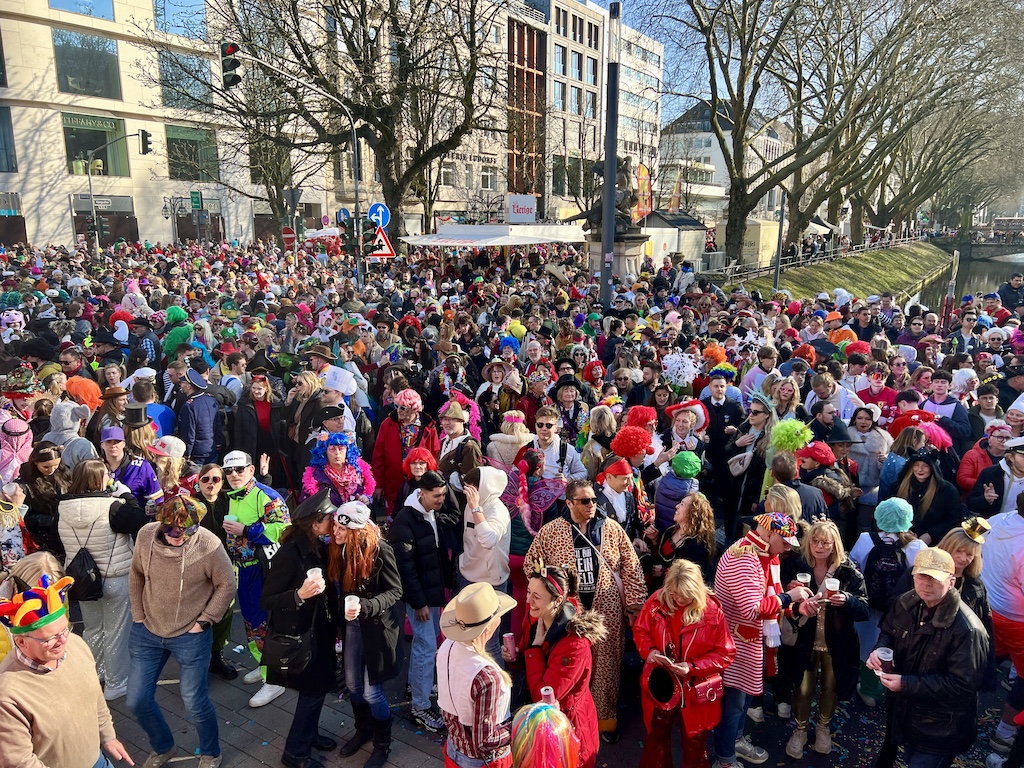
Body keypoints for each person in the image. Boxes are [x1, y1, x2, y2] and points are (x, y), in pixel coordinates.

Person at [525, 479, 647, 742]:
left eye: (593, 499)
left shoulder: (612, 529)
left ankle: (605, 720)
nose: (591, 505)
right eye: (584, 501)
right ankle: (567, 720)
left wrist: (635, 605)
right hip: (569, 614)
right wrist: (550, 594)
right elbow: (531, 567)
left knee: (607, 666)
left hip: (607, 611)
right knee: (570, 669)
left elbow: (631, 566)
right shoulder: (551, 532)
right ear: (569, 503)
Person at [127, 495, 235, 768]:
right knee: (136, 700)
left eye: (186, 532)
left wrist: (206, 620)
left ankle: (210, 752)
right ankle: (164, 747)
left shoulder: (210, 544)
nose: (179, 538)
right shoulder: (145, 535)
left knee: (194, 702)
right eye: (173, 532)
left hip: (191, 635)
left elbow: (227, 584)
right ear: (160, 525)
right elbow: (136, 573)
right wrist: (138, 615)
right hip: (147, 631)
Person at [712, 500, 815, 768]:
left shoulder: (766, 554)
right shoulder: (744, 557)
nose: (789, 547)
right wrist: (786, 597)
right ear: (768, 534)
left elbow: (767, 596)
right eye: (785, 541)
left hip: (750, 641)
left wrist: (791, 602)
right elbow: (752, 609)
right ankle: (724, 760)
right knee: (734, 703)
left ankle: (734, 742)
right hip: (735, 643)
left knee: (743, 699)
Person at [868, 547, 989, 768]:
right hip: (907, 712)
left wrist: (906, 684)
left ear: (951, 582)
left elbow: (963, 685)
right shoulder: (906, 602)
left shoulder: (967, 630)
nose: (927, 583)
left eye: (935, 578)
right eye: (922, 575)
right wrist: (879, 650)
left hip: (939, 728)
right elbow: (888, 632)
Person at [0, 575, 135, 768]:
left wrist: (108, 736)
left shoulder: (76, 645)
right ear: (21, 642)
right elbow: (19, 761)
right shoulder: (8, 693)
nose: (63, 641)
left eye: (64, 630)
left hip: (97, 761)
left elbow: (94, 694)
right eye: (49, 638)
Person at [259, 490, 340, 768]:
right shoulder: (290, 553)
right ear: (315, 522)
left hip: (319, 628)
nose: (333, 522)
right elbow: (267, 599)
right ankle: (295, 753)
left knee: (316, 689)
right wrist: (299, 594)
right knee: (313, 691)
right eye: (329, 518)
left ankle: (310, 734)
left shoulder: (316, 543)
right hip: (302, 633)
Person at [634, 559, 737, 768]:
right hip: (662, 685)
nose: (678, 598)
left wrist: (692, 667)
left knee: (695, 746)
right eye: (673, 593)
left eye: (684, 594)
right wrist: (651, 651)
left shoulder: (712, 610)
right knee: (657, 740)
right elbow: (640, 631)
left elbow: (725, 653)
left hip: (695, 688)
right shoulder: (657, 601)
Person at [781, 519, 870, 759]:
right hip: (805, 640)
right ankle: (799, 730)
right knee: (803, 687)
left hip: (836, 643)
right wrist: (792, 595)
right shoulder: (797, 565)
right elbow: (781, 601)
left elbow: (864, 609)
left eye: (825, 542)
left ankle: (822, 727)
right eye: (815, 541)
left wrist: (848, 600)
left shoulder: (848, 571)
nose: (819, 546)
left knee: (831, 687)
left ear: (835, 545)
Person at [58, 458, 145, 701]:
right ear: (100, 479)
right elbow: (138, 520)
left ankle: (94, 674)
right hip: (114, 576)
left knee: (92, 628)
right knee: (116, 630)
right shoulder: (113, 506)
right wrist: (127, 496)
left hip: (81, 579)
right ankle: (116, 682)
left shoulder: (62, 507)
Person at [503, 563, 605, 768]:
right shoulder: (536, 617)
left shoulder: (575, 643)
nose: (528, 600)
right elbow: (528, 657)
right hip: (541, 726)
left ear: (558, 600)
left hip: (567, 729)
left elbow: (543, 696)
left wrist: (533, 651)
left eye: (536, 597)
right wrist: (516, 659)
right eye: (529, 592)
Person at [329, 499, 403, 768]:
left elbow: (395, 591)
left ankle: (383, 745)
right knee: (352, 686)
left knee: (373, 693)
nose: (333, 532)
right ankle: (364, 730)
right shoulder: (340, 550)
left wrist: (367, 605)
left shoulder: (380, 550)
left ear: (355, 530)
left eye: (339, 528)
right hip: (352, 626)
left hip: (376, 628)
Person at [221, 449, 291, 707]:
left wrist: (246, 530)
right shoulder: (233, 495)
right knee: (251, 623)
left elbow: (284, 529)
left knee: (263, 624)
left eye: (239, 469)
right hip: (243, 568)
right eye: (229, 471)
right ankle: (265, 668)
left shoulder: (265, 496)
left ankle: (275, 680)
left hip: (262, 570)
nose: (234, 475)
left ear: (251, 470)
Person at [389, 470, 457, 733]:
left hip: (432, 592)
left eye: (443, 495)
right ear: (421, 493)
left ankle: (420, 683)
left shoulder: (430, 513)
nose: (441, 500)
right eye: (436, 495)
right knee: (425, 646)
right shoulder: (405, 521)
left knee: (426, 645)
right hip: (421, 597)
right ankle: (419, 705)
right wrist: (419, 604)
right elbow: (405, 569)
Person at [437, 582, 517, 768]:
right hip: (482, 762)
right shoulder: (487, 676)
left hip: (454, 749)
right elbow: (485, 741)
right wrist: (522, 726)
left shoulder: (447, 646)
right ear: (489, 627)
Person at [981, 494, 1024, 760]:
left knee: (983, 662)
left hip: (986, 609)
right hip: (1017, 621)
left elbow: (968, 534)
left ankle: (953, 710)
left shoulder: (998, 520)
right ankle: (1004, 734)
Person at [372, 388, 440, 517]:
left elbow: (434, 455)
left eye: (403, 408)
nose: (398, 410)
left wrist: (431, 483)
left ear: (414, 408)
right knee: (394, 518)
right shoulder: (387, 424)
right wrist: (378, 484)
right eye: (397, 406)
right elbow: (378, 456)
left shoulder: (428, 426)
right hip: (393, 482)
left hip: (420, 483)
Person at [892, 449, 961, 545]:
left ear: (932, 468)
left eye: (925, 466)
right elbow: (887, 512)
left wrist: (931, 535)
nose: (920, 470)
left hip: (934, 544)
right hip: (900, 539)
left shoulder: (947, 490)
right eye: (916, 465)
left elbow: (953, 519)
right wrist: (903, 531)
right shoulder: (897, 487)